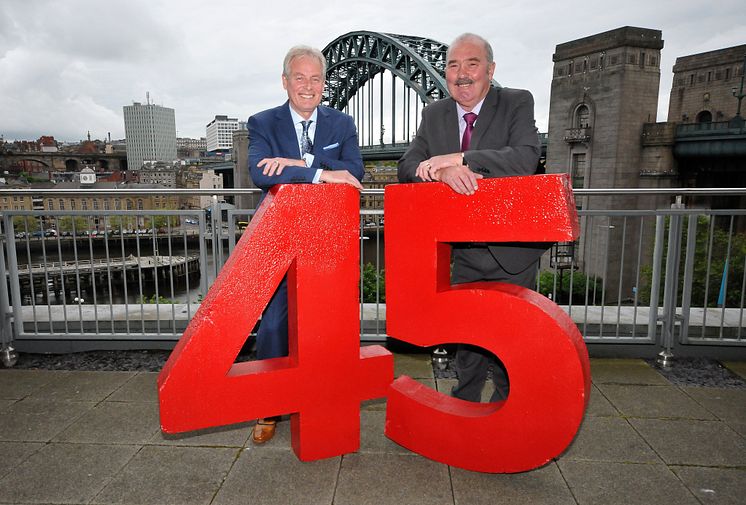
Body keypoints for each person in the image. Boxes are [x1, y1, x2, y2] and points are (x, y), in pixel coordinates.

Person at [398, 33, 545, 403]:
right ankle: (465, 410)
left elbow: (525, 158)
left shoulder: (515, 102)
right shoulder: (434, 114)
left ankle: (511, 414)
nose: (461, 74)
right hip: (462, 249)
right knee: (469, 339)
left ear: (490, 70)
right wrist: (440, 172)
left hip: (511, 250)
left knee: (510, 339)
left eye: (472, 64)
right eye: (452, 65)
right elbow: (407, 166)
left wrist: (460, 159)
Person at [247, 45, 364, 443]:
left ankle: (319, 399)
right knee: (275, 324)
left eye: (316, 79)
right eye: (300, 77)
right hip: (280, 234)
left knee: (325, 326)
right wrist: (320, 173)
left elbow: (357, 171)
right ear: (285, 82)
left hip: (326, 237)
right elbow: (261, 172)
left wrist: (299, 164)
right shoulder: (262, 121)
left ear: (324, 84)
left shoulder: (342, 123)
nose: (308, 86)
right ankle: (269, 407)